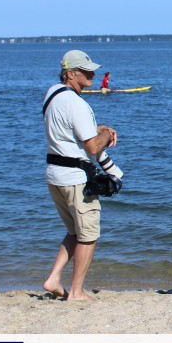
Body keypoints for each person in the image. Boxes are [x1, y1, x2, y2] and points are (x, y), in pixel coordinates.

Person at [42, 50, 118, 301]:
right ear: (71, 74)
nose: (92, 74)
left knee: (74, 231)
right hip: (76, 179)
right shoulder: (77, 104)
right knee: (88, 236)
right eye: (86, 71)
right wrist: (106, 134)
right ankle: (76, 292)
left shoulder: (52, 94)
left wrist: (96, 129)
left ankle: (54, 279)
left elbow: (66, 129)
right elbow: (93, 147)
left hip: (54, 174)